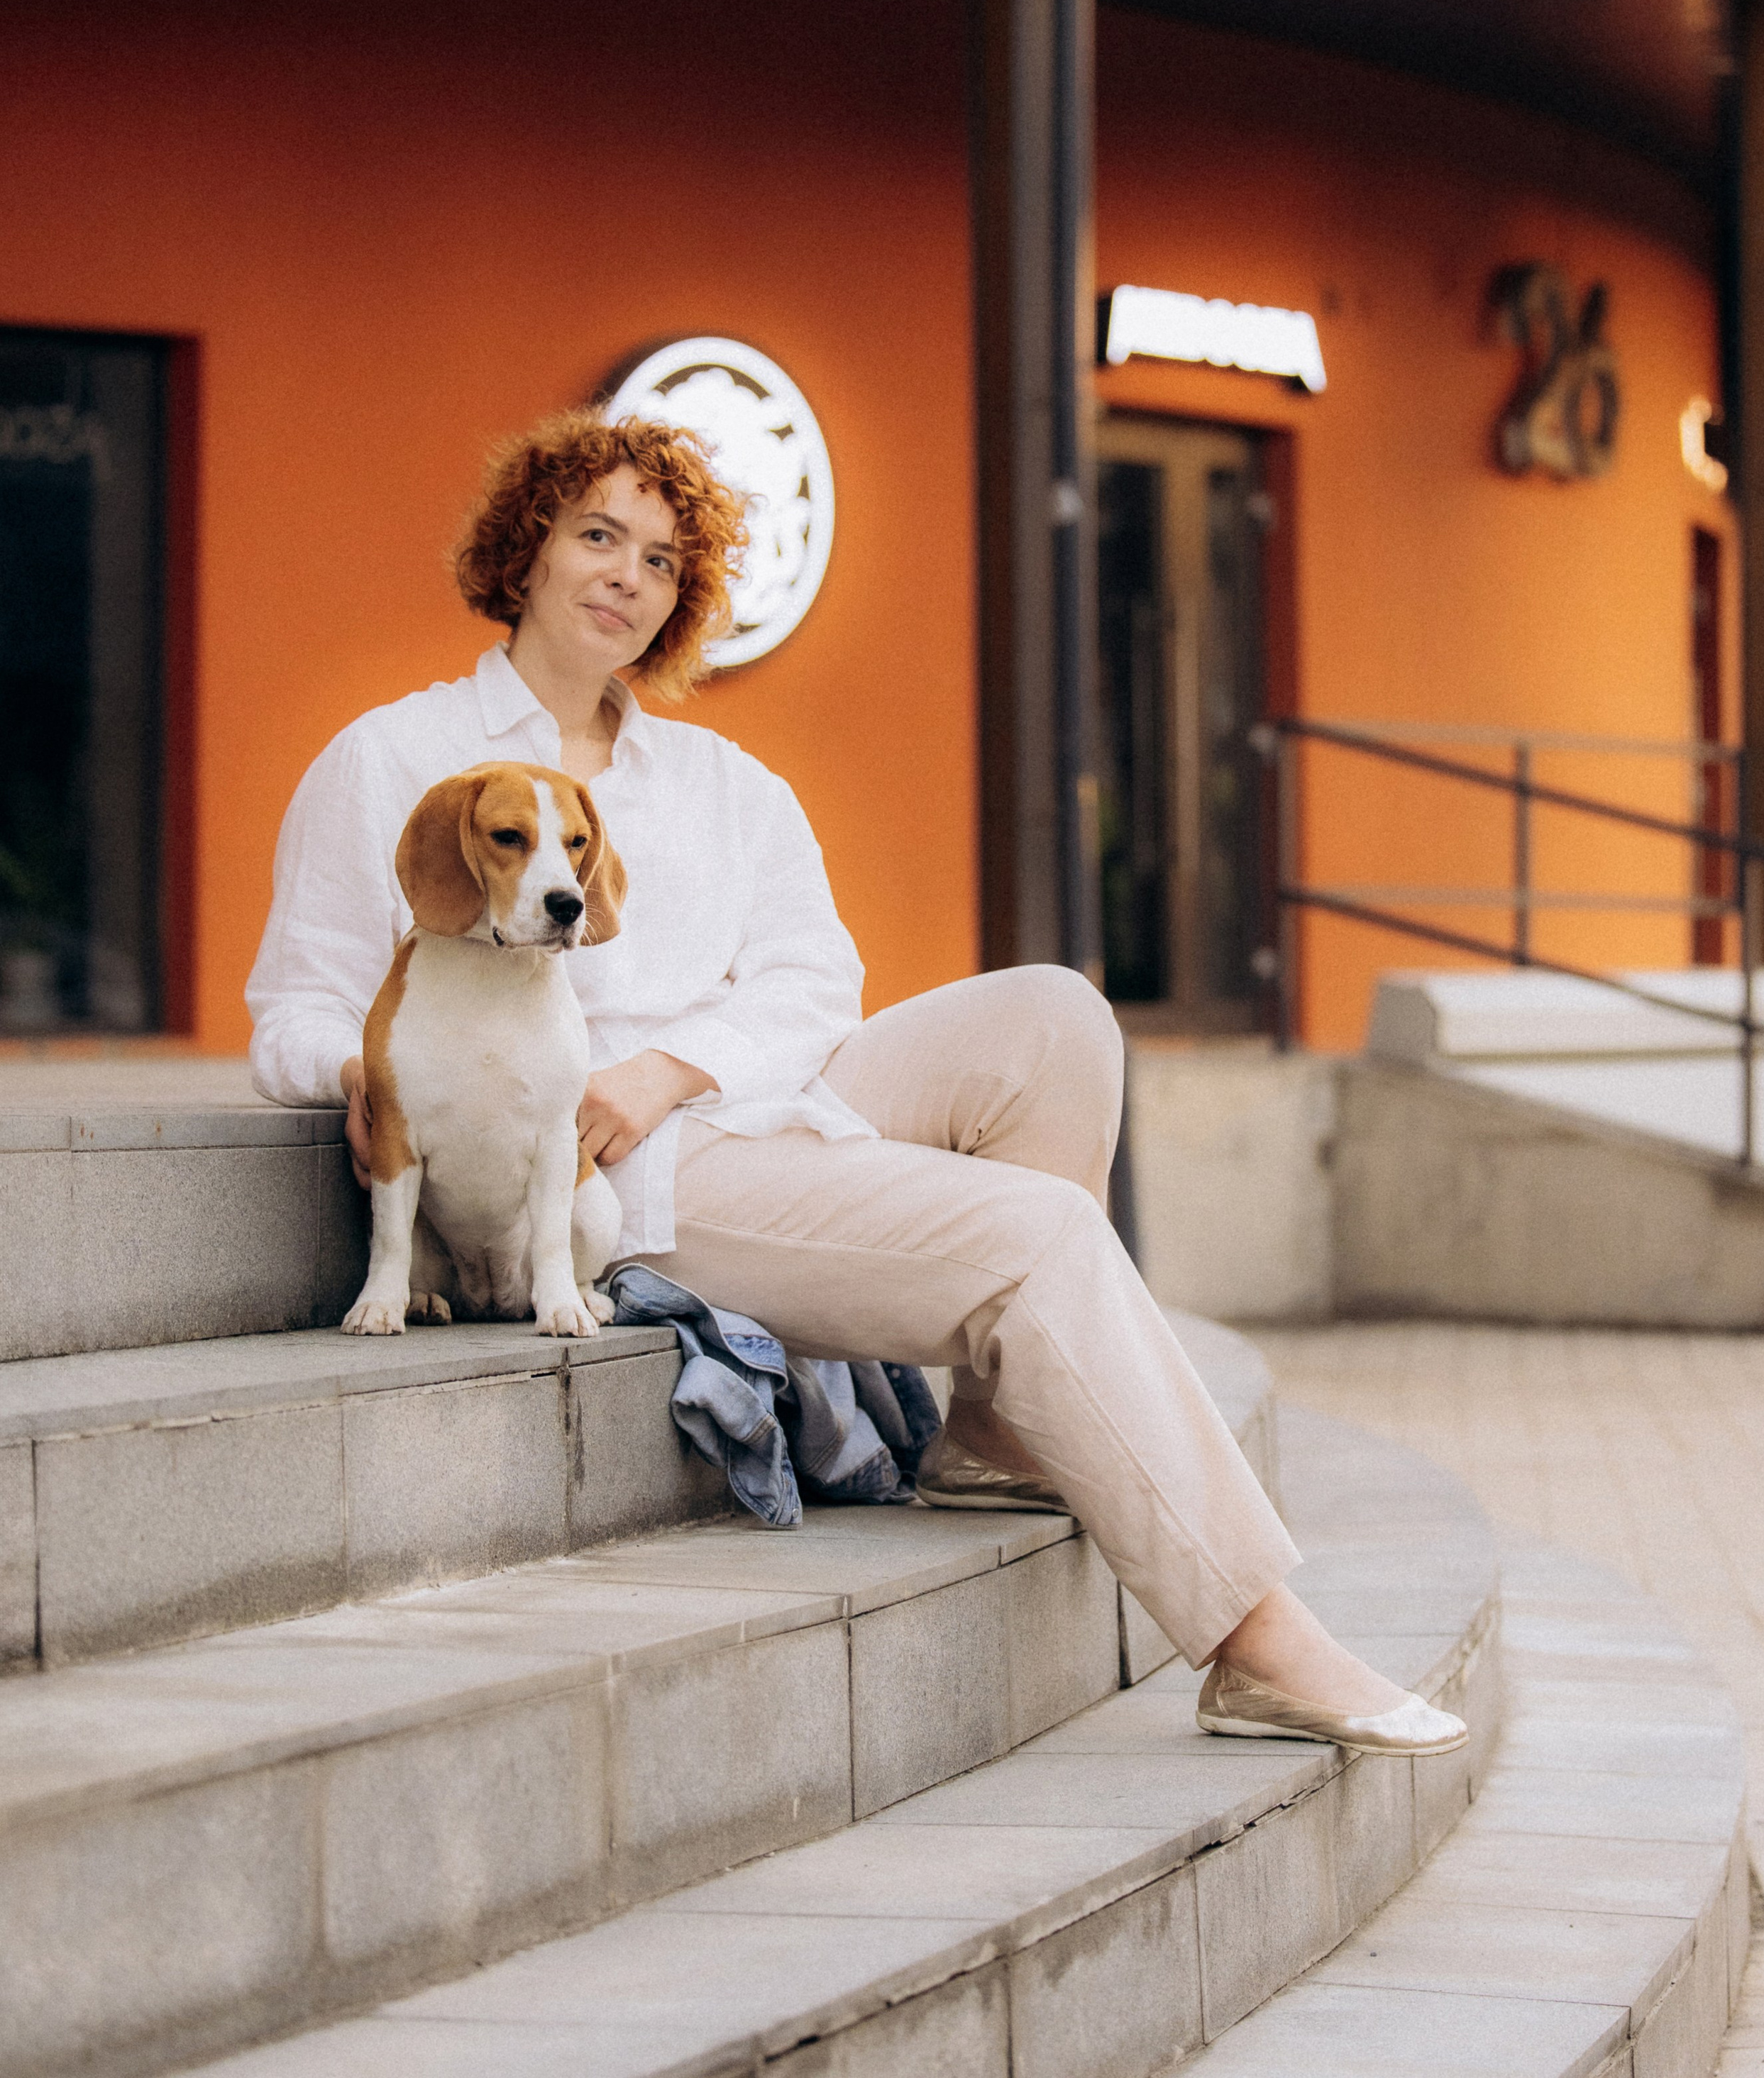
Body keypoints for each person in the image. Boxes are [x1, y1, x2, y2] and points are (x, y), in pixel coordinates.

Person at [248, 407, 1464, 1756]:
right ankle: (1255, 1639)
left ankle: (997, 1435)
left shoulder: (724, 782)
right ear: (526, 548)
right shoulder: (392, 757)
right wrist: (371, 1079)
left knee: (1057, 1019)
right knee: (1040, 1233)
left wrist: (670, 1066)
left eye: (660, 560)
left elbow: (817, 979)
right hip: (614, 1175)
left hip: (727, 1094)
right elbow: (296, 1007)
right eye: (597, 535)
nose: (625, 575)